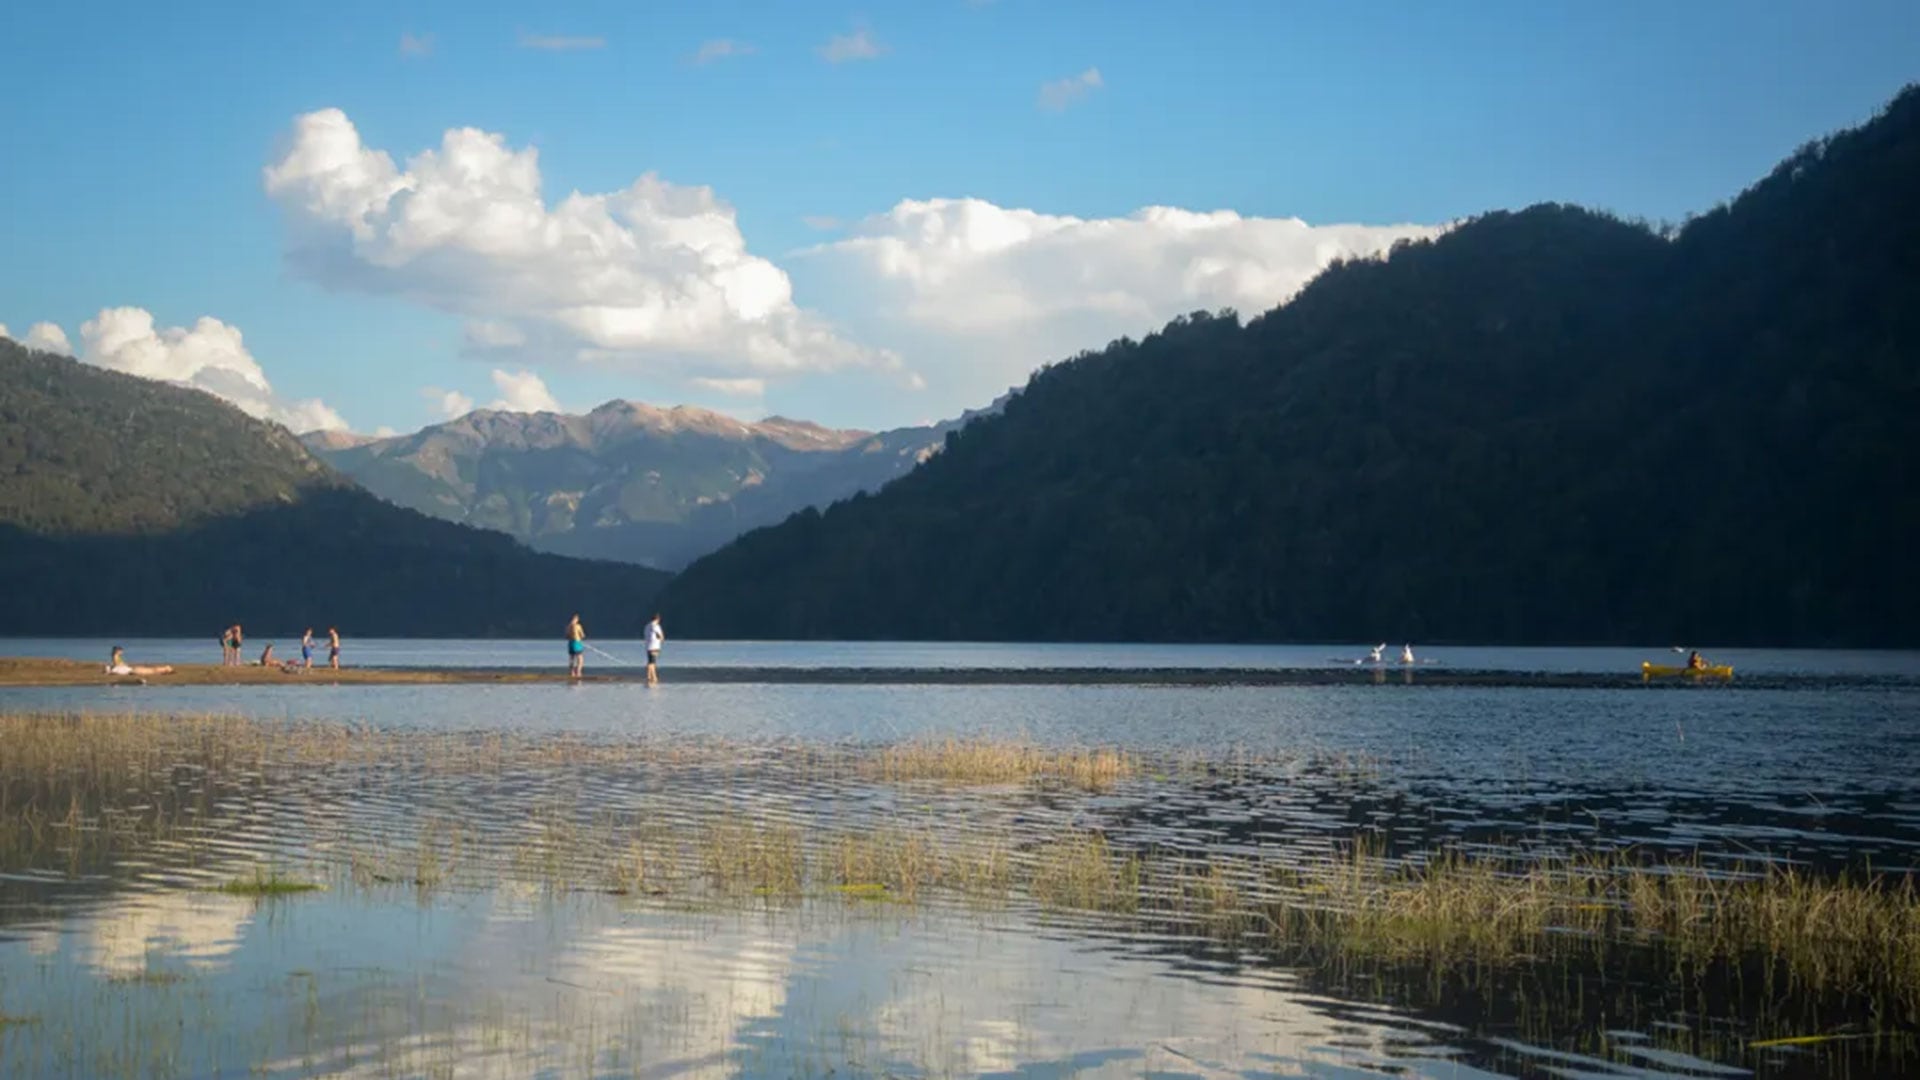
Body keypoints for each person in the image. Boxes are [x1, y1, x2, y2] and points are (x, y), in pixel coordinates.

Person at [107, 646, 174, 678]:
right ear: (117, 651)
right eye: (121, 650)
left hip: (129, 670)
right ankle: (166, 669)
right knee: (151, 671)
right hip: (129, 670)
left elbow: (117, 665)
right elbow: (118, 666)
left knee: (151, 670)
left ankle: (166, 669)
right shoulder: (115, 657)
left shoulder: (116, 657)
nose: (122, 652)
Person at [644, 613, 665, 686]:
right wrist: (661, 638)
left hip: (648, 645)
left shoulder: (647, 626)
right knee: (652, 662)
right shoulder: (655, 625)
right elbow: (659, 634)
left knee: (650, 661)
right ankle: (654, 677)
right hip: (654, 646)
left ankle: (649, 676)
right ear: (657, 619)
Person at [567, 615, 586, 679]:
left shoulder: (568, 626)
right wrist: (581, 637)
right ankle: (578, 672)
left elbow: (567, 636)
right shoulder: (578, 626)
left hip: (570, 643)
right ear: (576, 620)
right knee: (580, 659)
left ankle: (572, 673)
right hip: (577, 643)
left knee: (572, 658)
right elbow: (583, 635)